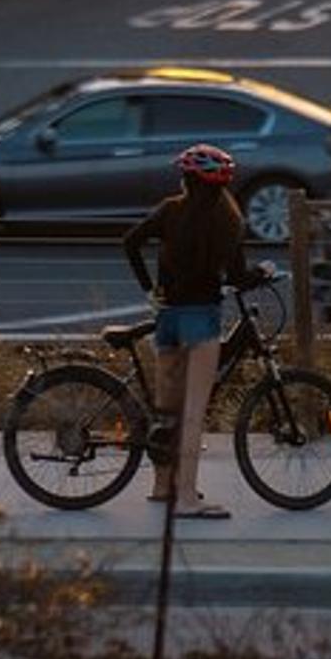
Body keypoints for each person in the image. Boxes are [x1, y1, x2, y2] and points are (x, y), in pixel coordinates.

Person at [121, 144, 255, 520]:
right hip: (200, 320)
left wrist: (150, 291)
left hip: (167, 319)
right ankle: (187, 501)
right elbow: (239, 278)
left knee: (169, 411)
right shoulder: (228, 221)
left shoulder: (169, 210)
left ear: (188, 180)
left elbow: (130, 242)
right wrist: (261, 274)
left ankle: (163, 487)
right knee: (194, 412)